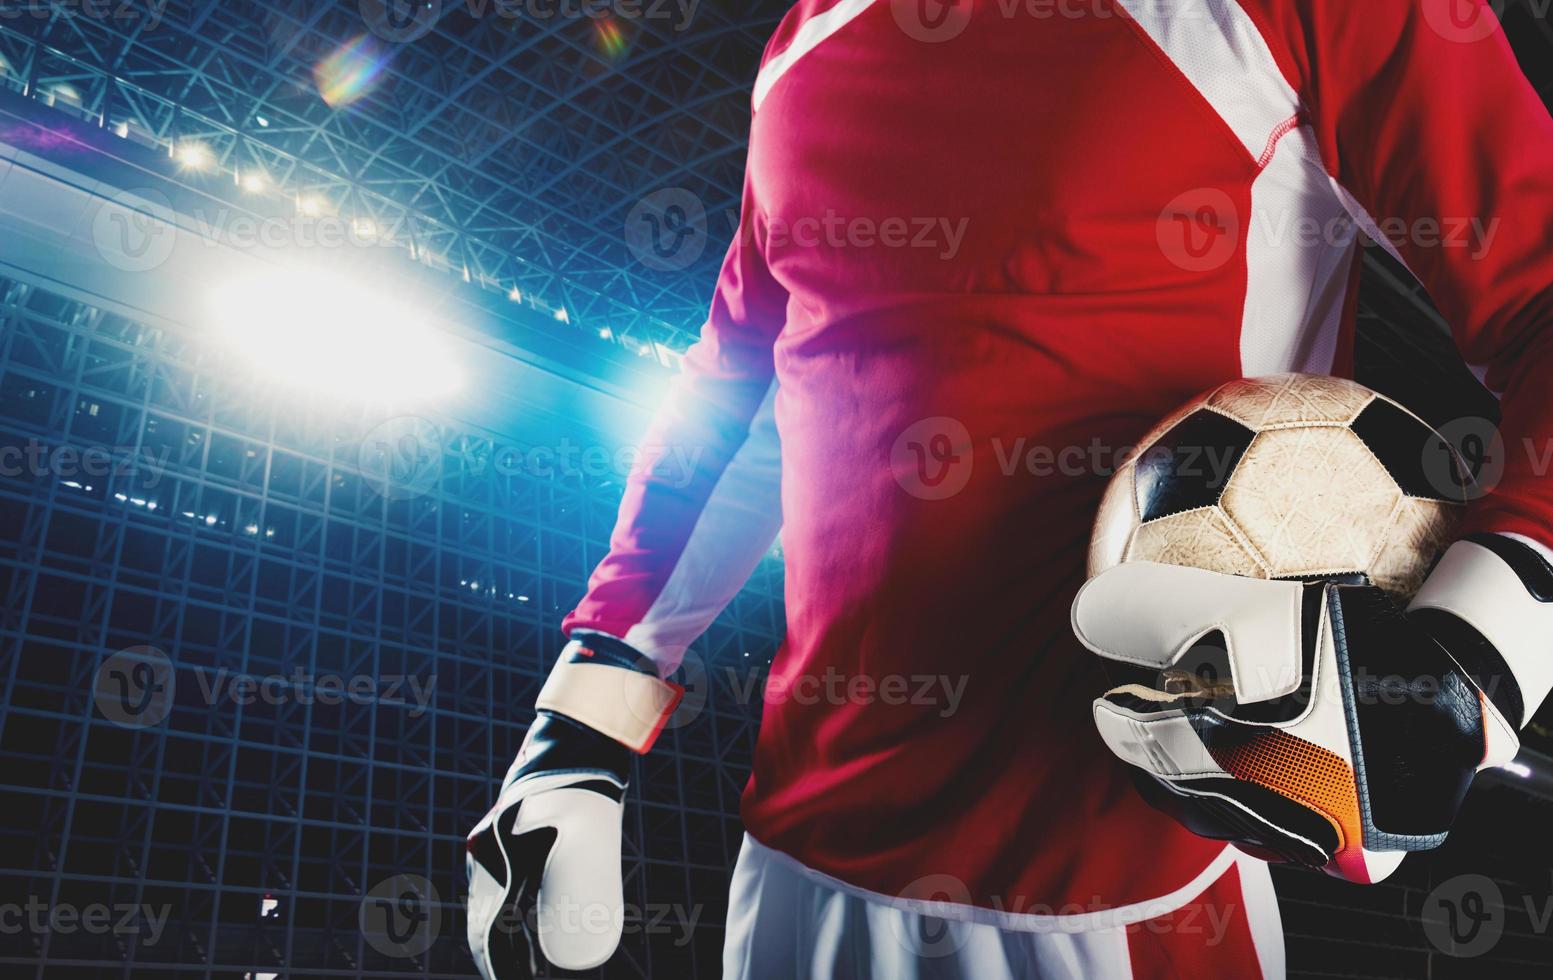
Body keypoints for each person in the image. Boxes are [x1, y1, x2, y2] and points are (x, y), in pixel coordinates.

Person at [466, 2, 1553, 977]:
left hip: (1125, 895)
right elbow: (738, 394)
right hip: (795, 874)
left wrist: (1475, 650)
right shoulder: (801, 43)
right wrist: (583, 720)